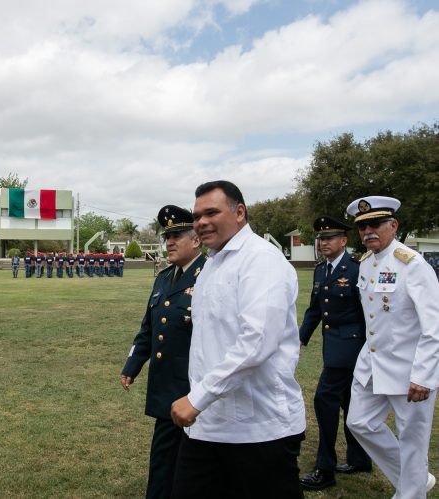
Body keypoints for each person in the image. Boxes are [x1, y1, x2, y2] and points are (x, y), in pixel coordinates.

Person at [170, 180, 306, 498]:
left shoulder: (261, 260)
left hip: (259, 430)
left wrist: (199, 397)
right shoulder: (214, 264)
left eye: (212, 212)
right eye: (197, 215)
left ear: (239, 212)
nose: (201, 222)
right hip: (208, 424)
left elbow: (255, 343)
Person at [344, 196, 439, 498]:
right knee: (359, 422)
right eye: (362, 227)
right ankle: (415, 479)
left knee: (412, 440)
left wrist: (424, 375)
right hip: (373, 366)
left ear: (393, 225)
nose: (368, 231)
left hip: (410, 369)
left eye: (375, 224)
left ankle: (410, 492)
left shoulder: (412, 264)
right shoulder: (366, 264)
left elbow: (433, 325)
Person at [121, 204, 206, 499]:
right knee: (163, 460)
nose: (169, 242)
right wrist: (132, 364)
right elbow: (148, 329)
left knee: (194, 464)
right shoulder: (163, 278)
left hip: (196, 388)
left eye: (177, 235)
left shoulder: (209, 275)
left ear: (196, 239)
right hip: (165, 386)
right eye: (166, 236)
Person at [299, 216, 371, 491]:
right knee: (349, 402)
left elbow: (368, 311)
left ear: (344, 241)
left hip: (352, 346)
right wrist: (301, 338)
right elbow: (315, 309)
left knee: (324, 399)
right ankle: (360, 458)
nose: (324, 242)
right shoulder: (321, 270)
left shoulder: (357, 269)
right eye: (321, 238)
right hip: (334, 346)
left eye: (329, 238)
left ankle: (325, 469)